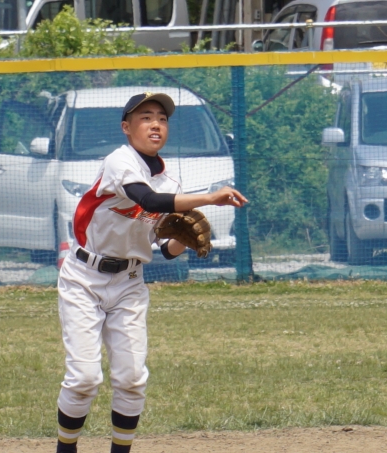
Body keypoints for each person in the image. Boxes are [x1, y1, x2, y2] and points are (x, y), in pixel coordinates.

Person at [55, 92, 248, 453]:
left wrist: (185, 241)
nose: (156, 124)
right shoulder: (120, 161)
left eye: (162, 118)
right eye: (145, 117)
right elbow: (148, 200)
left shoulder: (170, 184)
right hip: (84, 278)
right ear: (126, 128)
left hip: (129, 283)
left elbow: (165, 249)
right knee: (84, 379)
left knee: (131, 379)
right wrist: (208, 198)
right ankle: (65, 449)